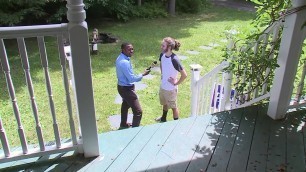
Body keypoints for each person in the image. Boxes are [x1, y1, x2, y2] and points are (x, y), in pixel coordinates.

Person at [116, 42, 150, 129]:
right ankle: (134, 132)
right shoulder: (124, 62)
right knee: (138, 111)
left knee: (125, 105)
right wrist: (143, 74)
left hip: (122, 87)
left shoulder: (122, 58)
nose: (131, 51)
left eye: (132, 49)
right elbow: (131, 79)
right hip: (126, 89)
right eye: (129, 49)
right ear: (123, 50)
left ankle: (123, 124)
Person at [156, 37, 187, 122]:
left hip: (171, 89)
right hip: (163, 86)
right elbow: (161, 64)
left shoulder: (174, 59)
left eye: (163, 45)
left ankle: (176, 124)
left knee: (173, 107)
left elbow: (184, 75)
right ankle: (163, 118)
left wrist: (176, 83)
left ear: (169, 47)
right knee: (164, 103)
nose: (161, 47)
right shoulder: (162, 55)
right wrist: (163, 74)